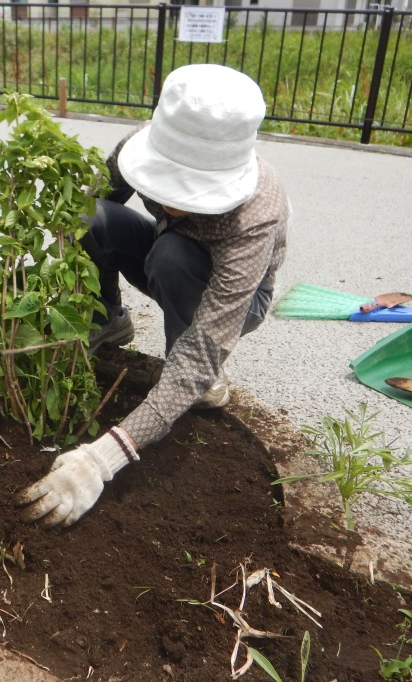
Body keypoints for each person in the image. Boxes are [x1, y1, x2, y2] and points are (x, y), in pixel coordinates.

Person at [16, 64, 290, 528]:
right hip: (164, 254)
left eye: (187, 195)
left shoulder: (255, 214)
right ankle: (108, 321)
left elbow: (204, 345)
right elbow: (91, 203)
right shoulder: (143, 144)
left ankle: (200, 389)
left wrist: (103, 458)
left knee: (173, 256)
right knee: (90, 217)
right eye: (163, 186)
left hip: (233, 297)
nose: (168, 204)